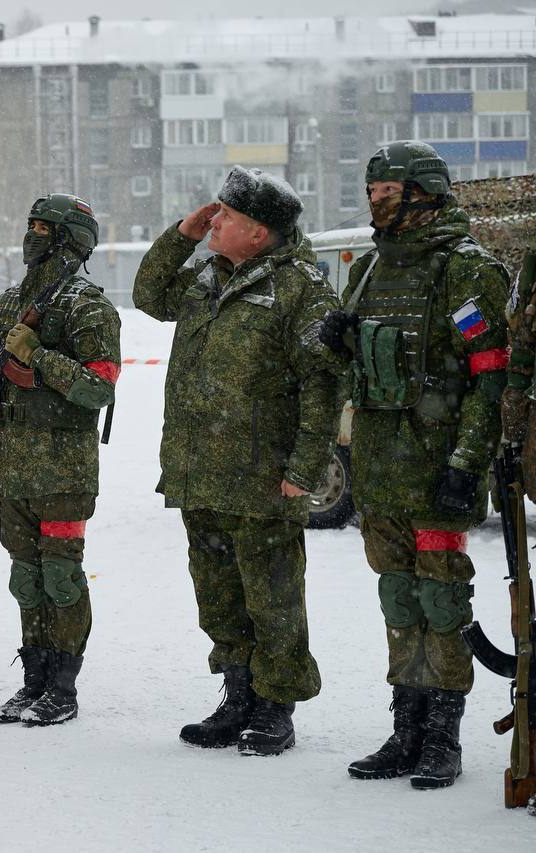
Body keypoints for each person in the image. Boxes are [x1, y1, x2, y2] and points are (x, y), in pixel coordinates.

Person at [318, 141, 510, 788]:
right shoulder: (372, 267)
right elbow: (363, 370)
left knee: (441, 598)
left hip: (437, 469)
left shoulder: (466, 270)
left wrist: (467, 461)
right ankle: (406, 728)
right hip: (380, 470)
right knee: (398, 598)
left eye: (387, 193)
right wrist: (342, 345)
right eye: (372, 192)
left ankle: (442, 735)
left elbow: (489, 376)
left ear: (423, 194)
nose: (375, 203)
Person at [134, 166, 340, 756]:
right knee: (219, 596)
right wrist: (182, 235)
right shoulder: (206, 277)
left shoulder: (301, 288)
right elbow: (148, 295)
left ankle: (275, 706)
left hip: (262, 476)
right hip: (201, 470)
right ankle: (238, 695)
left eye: (226, 216)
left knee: (273, 600)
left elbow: (323, 384)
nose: (214, 222)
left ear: (258, 233)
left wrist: (303, 469)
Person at [0, 194, 119, 725]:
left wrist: (39, 357)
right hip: (15, 465)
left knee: (61, 577)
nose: (31, 236)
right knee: (25, 577)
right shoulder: (10, 303)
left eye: (42, 228)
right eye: (30, 225)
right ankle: (33, 680)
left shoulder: (87, 307)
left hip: (64, 469)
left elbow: (99, 388)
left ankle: (63, 688)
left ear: (69, 239)